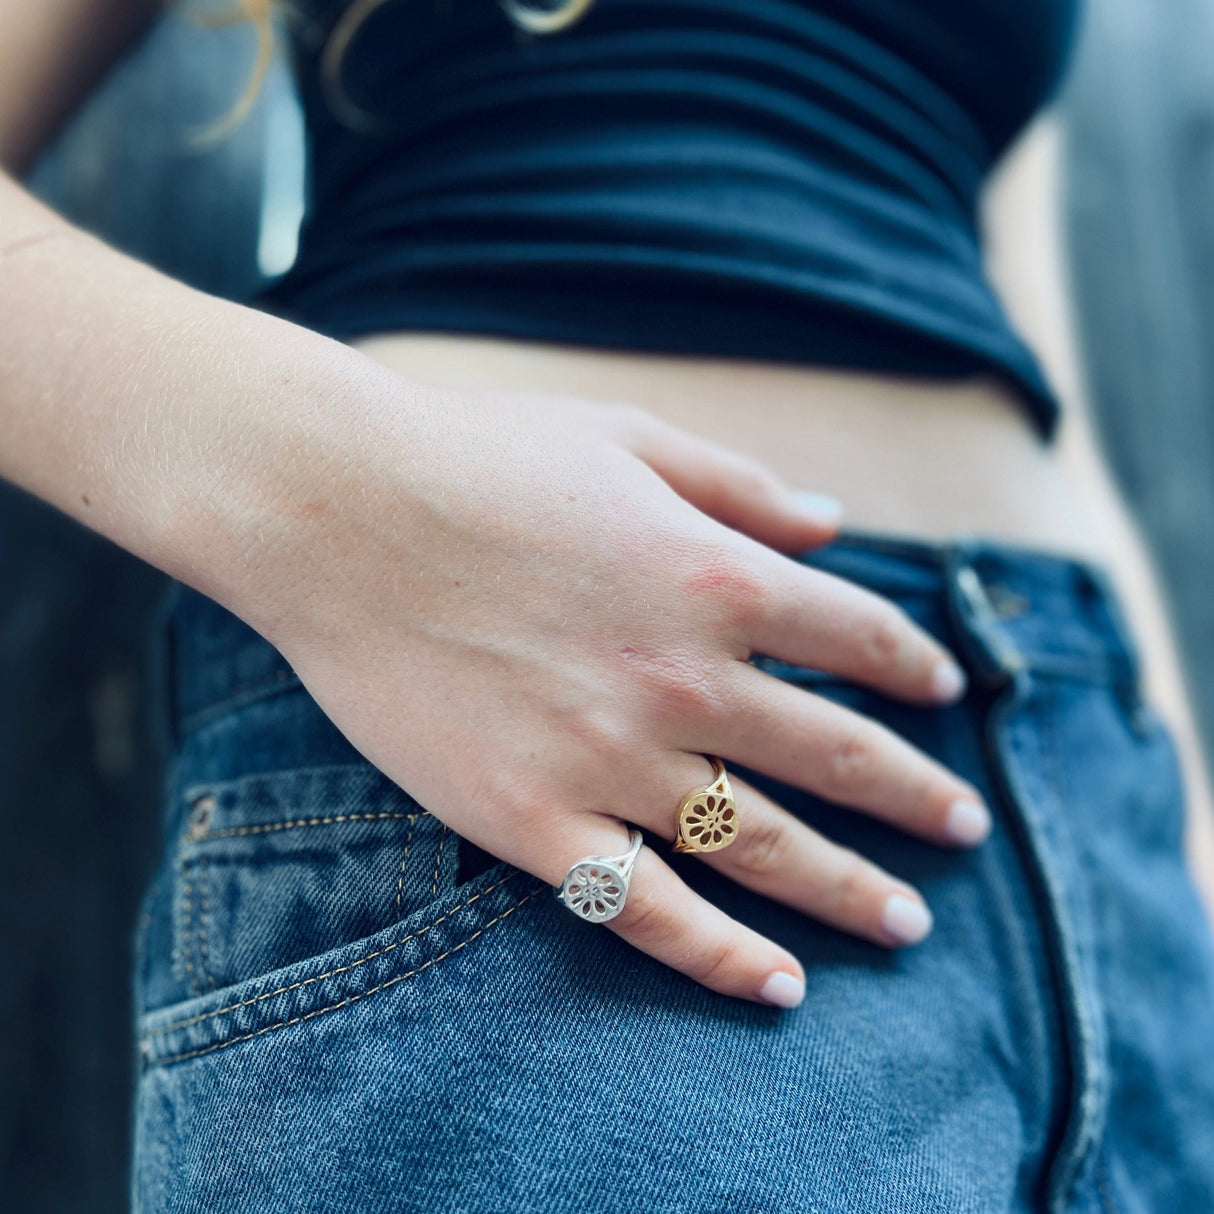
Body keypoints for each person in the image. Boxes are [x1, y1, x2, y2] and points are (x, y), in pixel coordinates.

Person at [4, 0, 1214, 1209]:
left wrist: (1181, 836)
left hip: (1089, 786)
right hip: (542, 761)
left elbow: (1012, 345)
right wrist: (323, 505)